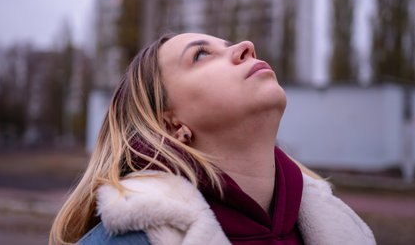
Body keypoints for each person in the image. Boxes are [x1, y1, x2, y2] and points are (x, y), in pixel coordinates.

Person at [50, 33, 376, 245]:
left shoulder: (345, 228)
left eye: (227, 45)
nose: (246, 45)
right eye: (202, 55)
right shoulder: (130, 239)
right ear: (170, 122)